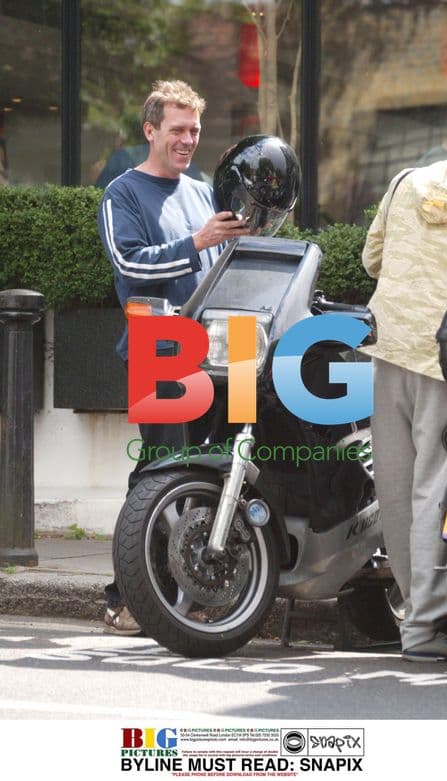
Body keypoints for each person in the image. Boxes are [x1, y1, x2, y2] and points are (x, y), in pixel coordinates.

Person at [97, 79, 250, 634]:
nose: (187, 140)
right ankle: (126, 596)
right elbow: (130, 266)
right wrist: (199, 242)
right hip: (158, 346)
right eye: (177, 130)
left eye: (195, 130)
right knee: (157, 475)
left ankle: (203, 588)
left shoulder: (204, 190)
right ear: (150, 131)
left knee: (220, 470)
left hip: (223, 348)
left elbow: (224, 266)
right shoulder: (122, 193)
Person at [362, 111, 447, 662]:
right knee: (433, 491)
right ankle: (423, 628)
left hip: (388, 351)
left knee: (394, 489)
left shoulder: (406, 181)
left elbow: (374, 258)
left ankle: (412, 617)